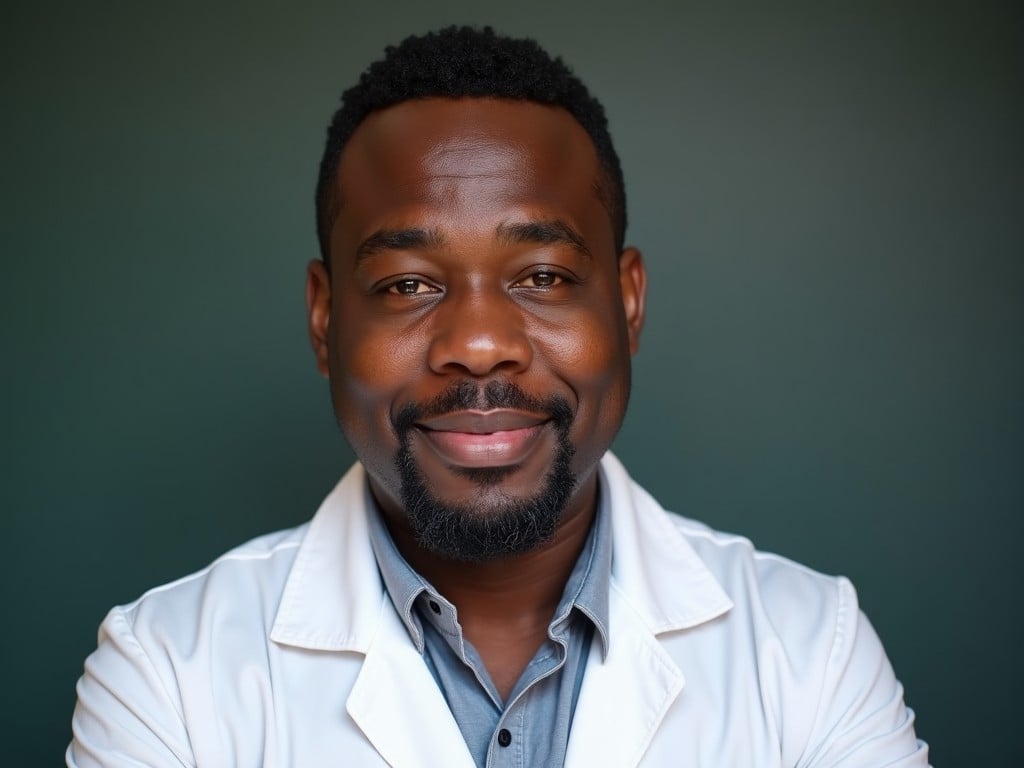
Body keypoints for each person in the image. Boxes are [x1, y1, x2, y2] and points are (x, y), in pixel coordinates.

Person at [68, 26, 929, 768]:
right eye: (407, 284)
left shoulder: (812, 651)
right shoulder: (166, 675)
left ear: (628, 302)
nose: (479, 343)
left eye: (544, 275)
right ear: (325, 318)